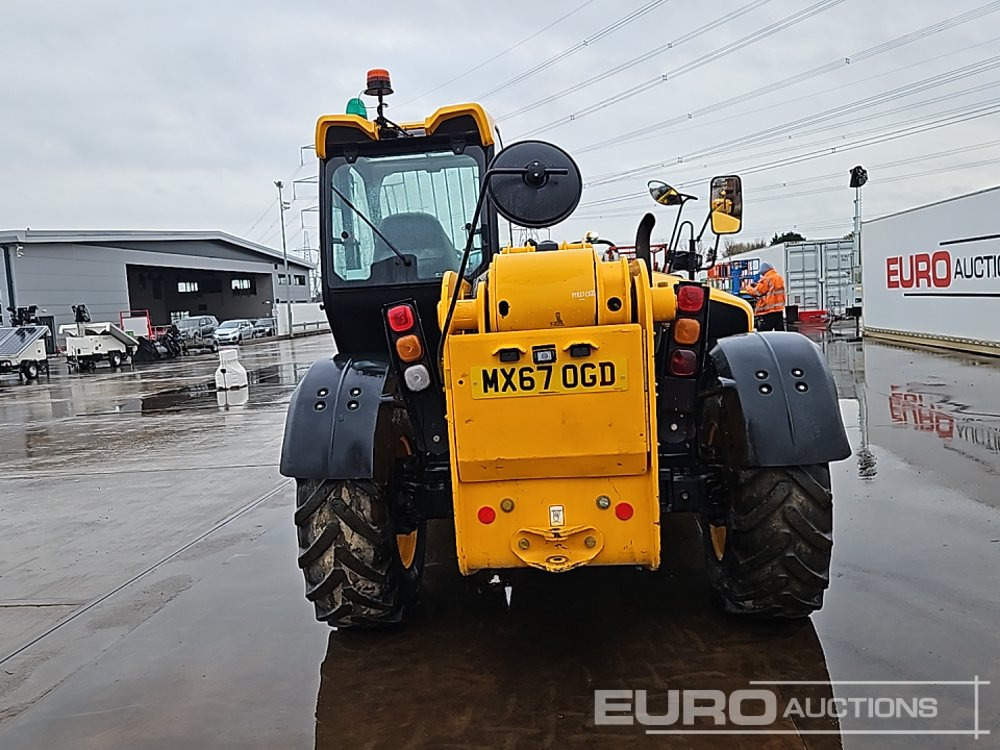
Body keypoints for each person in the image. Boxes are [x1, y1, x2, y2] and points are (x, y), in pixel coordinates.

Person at [742, 262, 786, 331]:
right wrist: (758, 284)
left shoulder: (766, 279)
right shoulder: (779, 278)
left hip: (768, 311)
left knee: (764, 334)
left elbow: (756, 293)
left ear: (764, 270)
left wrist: (748, 287)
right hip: (778, 310)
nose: (762, 275)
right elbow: (771, 290)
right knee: (780, 333)